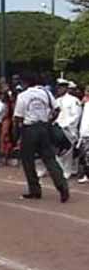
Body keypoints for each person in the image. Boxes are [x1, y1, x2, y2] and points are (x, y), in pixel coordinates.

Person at [13, 72, 70, 203]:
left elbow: (18, 117)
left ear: (25, 83)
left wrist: (17, 134)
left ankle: (35, 190)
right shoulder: (45, 93)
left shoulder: (23, 96)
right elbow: (56, 109)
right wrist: (49, 120)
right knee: (49, 159)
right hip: (43, 127)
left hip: (30, 129)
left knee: (28, 160)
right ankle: (62, 187)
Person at [55, 79, 82, 179]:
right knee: (59, 151)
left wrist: (67, 125)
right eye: (58, 87)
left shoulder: (73, 100)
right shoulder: (57, 100)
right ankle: (62, 170)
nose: (59, 89)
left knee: (67, 152)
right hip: (58, 127)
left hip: (69, 129)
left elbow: (76, 115)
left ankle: (68, 171)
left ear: (66, 88)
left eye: (61, 87)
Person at [77, 85, 89, 184]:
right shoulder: (85, 103)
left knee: (86, 155)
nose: (86, 92)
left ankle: (86, 174)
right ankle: (86, 174)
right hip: (84, 132)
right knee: (85, 155)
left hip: (87, 132)